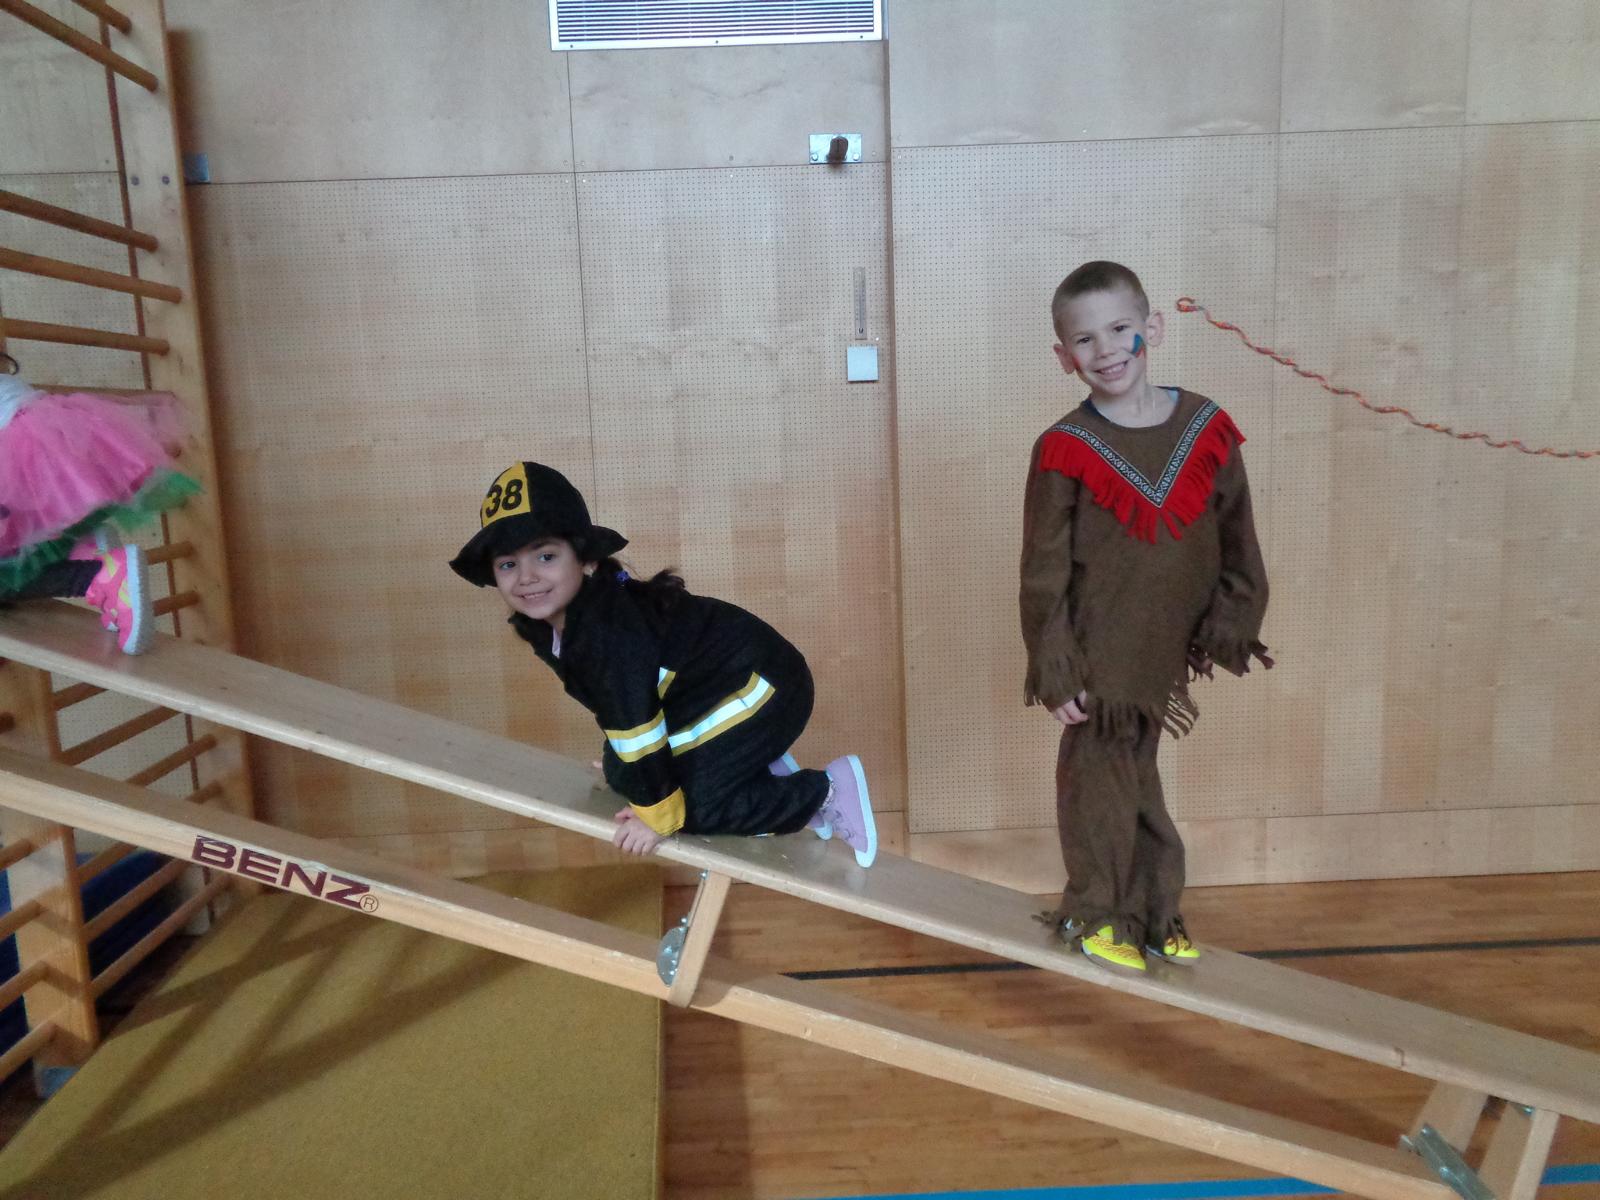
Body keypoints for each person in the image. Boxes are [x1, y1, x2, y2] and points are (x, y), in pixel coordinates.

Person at [1020, 261, 1271, 972]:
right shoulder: (1064, 448)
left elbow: (1237, 530)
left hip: (1163, 639)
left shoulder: (1205, 427)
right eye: (1084, 339)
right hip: (1098, 644)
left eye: (1119, 329)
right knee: (1100, 777)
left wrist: (1235, 611)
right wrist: (1055, 666)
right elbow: (1042, 569)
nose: (1105, 350)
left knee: (1135, 773)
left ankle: (1155, 912)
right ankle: (1097, 914)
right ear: (1064, 356)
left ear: (1151, 330)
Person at [450, 461, 877, 866]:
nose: (526, 577)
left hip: (764, 687)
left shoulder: (608, 634)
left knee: (691, 810)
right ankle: (747, 764)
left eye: (545, 557)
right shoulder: (552, 625)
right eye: (508, 564)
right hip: (704, 693)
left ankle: (824, 792)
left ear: (586, 558)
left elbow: (635, 725)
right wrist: (628, 771)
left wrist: (657, 816)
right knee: (625, 772)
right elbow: (619, 711)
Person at [0, 356, 198, 655]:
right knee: (16, 548)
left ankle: (96, 577)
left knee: (6, 571)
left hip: (27, 455)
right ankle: (81, 547)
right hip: (51, 439)